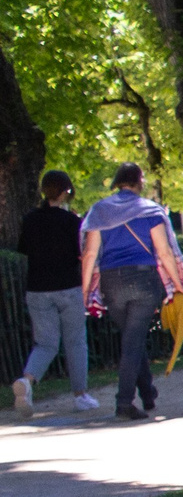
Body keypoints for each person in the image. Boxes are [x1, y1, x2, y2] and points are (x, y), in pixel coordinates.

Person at [78, 163, 183, 421]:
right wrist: (179, 285)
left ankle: (148, 393)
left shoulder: (99, 211)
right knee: (132, 342)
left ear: (117, 181)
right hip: (143, 280)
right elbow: (164, 252)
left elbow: (90, 254)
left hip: (111, 282)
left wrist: (85, 291)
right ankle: (124, 403)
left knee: (132, 338)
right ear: (139, 181)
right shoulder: (150, 210)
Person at [15, 171, 98, 414]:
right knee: (75, 342)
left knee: (46, 343)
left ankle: (27, 381)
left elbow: (24, 249)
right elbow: (82, 254)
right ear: (65, 192)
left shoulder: (30, 219)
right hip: (67, 288)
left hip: (38, 289)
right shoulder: (72, 222)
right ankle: (80, 395)